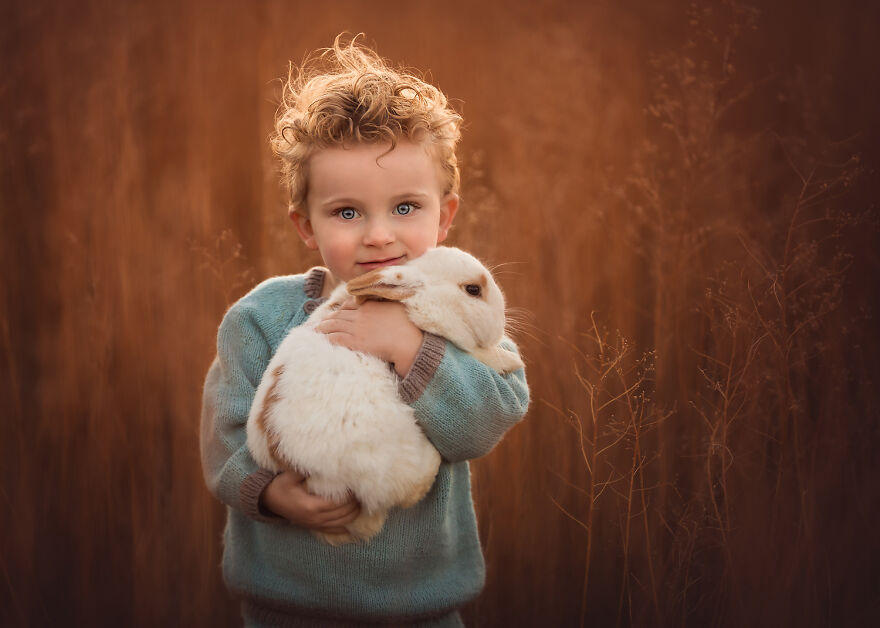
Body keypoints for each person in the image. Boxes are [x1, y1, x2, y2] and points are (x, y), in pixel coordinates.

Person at [200, 35, 530, 627]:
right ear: (307, 225)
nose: (379, 235)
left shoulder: (457, 305)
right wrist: (272, 496)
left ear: (444, 215)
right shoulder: (261, 318)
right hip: (286, 610)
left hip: (421, 610)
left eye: (405, 207)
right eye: (348, 212)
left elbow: (485, 420)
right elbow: (225, 437)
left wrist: (409, 347)